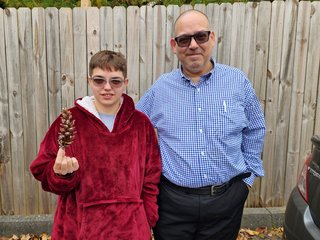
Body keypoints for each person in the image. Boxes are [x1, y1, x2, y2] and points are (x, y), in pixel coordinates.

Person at [136, 9, 266, 240]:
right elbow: (130, 129)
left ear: (212, 38)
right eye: (184, 39)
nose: (193, 45)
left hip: (227, 201)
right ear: (174, 45)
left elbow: (255, 128)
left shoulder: (237, 81)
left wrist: (247, 182)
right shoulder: (160, 89)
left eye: (201, 36)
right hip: (172, 203)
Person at [30, 50, 162, 240]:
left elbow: (152, 176)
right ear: (89, 80)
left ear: (125, 82)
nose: (107, 87)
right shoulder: (69, 121)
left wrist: (147, 216)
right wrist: (61, 174)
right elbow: (41, 168)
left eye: (115, 81)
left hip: (131, 229)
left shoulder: (140, 124)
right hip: (79, 228)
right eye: (99, 80)